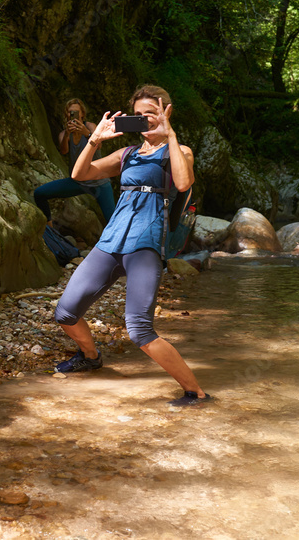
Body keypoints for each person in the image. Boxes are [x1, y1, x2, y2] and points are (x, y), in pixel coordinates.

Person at [51, 85, 212, 407]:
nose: (143, 120)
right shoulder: (127, 154)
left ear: (165, 113)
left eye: (150, 114)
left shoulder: (179, 151)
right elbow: (80, 173)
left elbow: (183, 183)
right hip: (109, 242)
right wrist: (95, 139)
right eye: (138, 116)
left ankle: (197, 392)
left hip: (145, 246)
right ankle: (91, 357)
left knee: (139, 330)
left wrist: (171, 135)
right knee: (65, 313)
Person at [34, 98, 116, 227]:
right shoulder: (63, 134)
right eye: (70, 112)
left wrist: (87, 134)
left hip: (99, 182)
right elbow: (64, 151)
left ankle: (124, 245)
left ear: (82, 114)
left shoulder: (90, 127)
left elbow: (98, 146)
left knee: (112, 221)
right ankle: (49, 230)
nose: (73, 115)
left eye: (76, 112)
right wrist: (67, 135)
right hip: (78, 181)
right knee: (39, 193)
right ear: (66, 114)